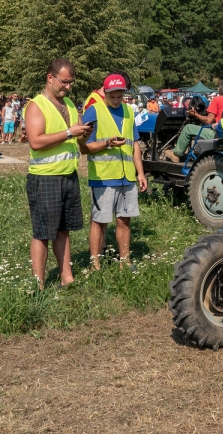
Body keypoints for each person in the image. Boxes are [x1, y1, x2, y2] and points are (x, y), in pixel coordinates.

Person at [25, 58, 93, 288]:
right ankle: (38, 284)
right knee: (43, 232)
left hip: (68, 176)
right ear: (50, 77)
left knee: (64, 231)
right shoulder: (36, 105)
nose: (68, 86)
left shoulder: (71, 105)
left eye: (71, 82)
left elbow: (77, 136)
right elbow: (35, 141)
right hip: (45, 177)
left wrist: (83, 133)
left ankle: (67, 278)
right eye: (64, 82)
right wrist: (69, 132)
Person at [83, 73, 148, 269]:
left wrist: (141, 173)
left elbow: (134, 143)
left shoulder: (129, 111)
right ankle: (95, 264)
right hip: (103, 178)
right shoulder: (93, 111)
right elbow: (84, 147)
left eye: (120, 96)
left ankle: (125, 261)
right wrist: (107, 144)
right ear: (105, 93)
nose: (117, 100)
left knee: (124, 221)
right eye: (113, 97)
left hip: (126, 177)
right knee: (99, 221)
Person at [165, 80, 223, 162]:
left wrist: (195, 114)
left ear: (219, 89)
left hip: (218, 135)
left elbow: (208, 121)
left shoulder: (217, 100)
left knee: (188, 128)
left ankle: (176, 154)